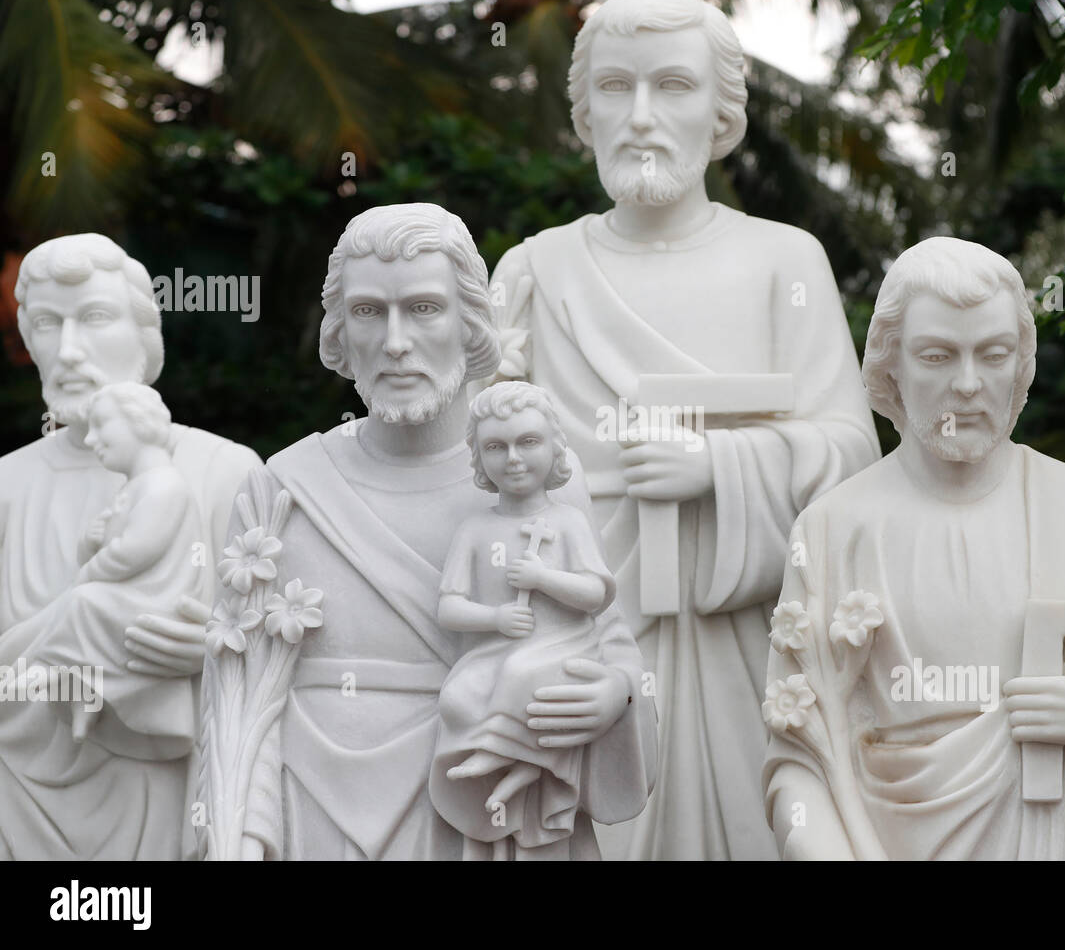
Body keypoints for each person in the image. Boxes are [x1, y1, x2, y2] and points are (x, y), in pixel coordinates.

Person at [486, 0, 879, 860]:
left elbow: (855, 463)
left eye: (672, 87)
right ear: (584, 115)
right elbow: (475, 486)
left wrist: (721, 468)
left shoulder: (786, 263)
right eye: (615, 89)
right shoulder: (534, 276)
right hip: (579, 659)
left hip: (750, 656)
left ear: (722, 112)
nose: (641, 117)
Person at [762, 236, 1065, 860]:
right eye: (937, 355)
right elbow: (795, 757)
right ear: (890, 367)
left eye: (993, 354)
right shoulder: (831, 530)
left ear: (1021, 364)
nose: (968, 384)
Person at [199, 204, 655, 861]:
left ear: (471, 322)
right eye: (366, 312)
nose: (393, 342)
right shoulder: (283, 488)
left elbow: (604, 637)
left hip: (486, 804)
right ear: (339, 329)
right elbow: (239, 696)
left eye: (422, 309)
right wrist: (239, 832)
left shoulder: (543, 480)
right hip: (317, 819)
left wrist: (617, 694)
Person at [0, 233, 260, 860]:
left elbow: (289, 649)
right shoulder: (7, 485)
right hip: (19, 805)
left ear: (145, 331)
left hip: (166, 799)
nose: (67, 350)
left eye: (93, 318)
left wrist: (215, 654)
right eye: (44, 323)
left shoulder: (226, 471)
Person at [432, 381, 639, 858]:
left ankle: (503, 759)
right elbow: (449, 608)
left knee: (524, 675)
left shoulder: (567, 522)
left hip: (564, 646)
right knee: (461, 694)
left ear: (554, 447)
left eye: (528, 442)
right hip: (501, 647)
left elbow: (596, 593)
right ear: (479, 459)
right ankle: (518, 765)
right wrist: (495, 617)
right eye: (495, 447)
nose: (514, 459)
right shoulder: (475, 529)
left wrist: (543, 578)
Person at [6, 382, 203, 749]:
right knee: (83, 603)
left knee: (83, 603)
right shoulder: (136, 486)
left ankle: (44, 670)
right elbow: (112, 547)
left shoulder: (164, 486)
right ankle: (83, 698)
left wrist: (88, 574)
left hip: (154, 602)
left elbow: (133, 552)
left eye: (102, 425)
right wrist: (91, 543)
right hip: (130, 597)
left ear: (138, 422)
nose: (92, 438)